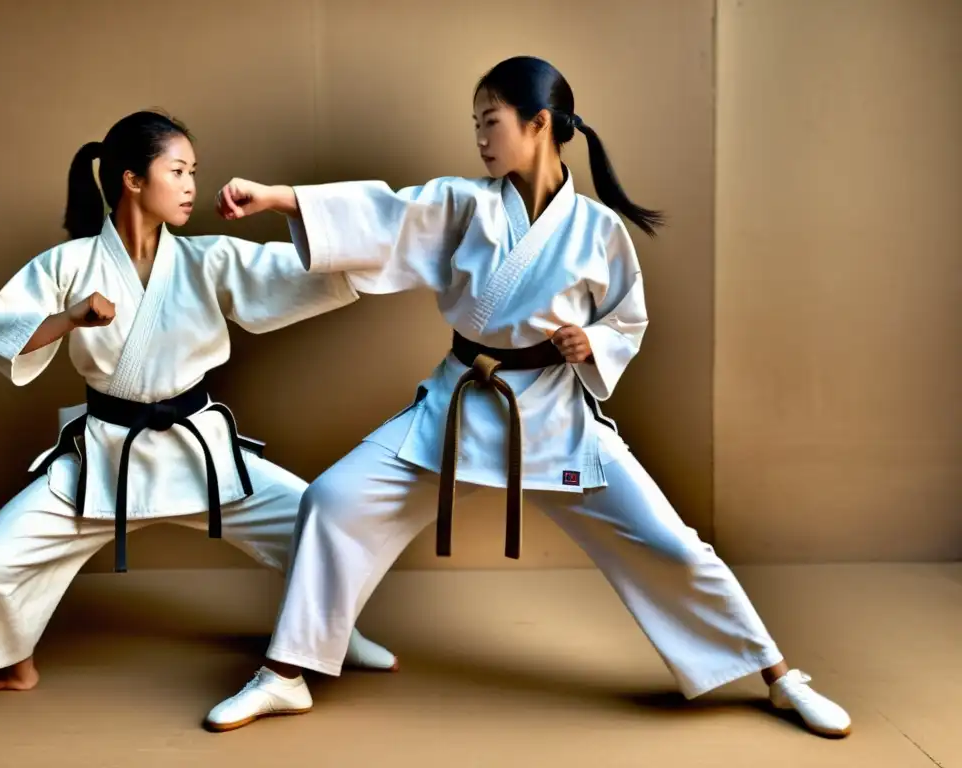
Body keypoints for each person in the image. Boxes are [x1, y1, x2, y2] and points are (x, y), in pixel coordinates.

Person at [202, 57, 851, 738]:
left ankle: (779, 676)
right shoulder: (465, 203)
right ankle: (286, 672)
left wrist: (591, 344)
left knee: (671, 543)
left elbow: (626, 317)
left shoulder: (599, 230)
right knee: (335, 500)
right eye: (475, 124)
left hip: (553, 416)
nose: (480, 138)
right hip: (459, 405)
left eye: (491, 121)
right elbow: (387, 214)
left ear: (539, 124)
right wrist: (278, 197)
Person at [0, 110, 398, 694]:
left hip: (199, 450)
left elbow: (298, 275)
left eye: (194, 171)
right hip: (106, 459)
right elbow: (3, 335)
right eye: (178, 170)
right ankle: (13, 662)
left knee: (324, 524)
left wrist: (301, 212)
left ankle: (333, 635)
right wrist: (71, 317)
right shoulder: (70, 264)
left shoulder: (205, 259)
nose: (191, 185)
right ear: (133, 180)